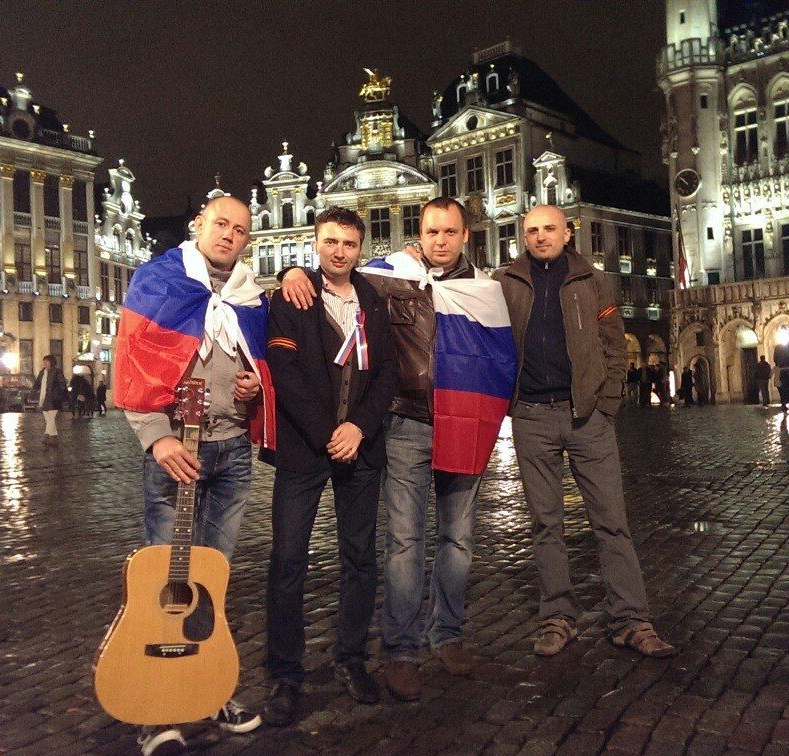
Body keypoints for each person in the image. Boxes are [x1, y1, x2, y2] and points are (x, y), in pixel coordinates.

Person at [277, 197, 516, 702]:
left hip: (463, 423)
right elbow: (335, 270)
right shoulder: (392, 277)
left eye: (449, 232)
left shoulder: (487, 289)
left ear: (465, 235)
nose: (440, 240)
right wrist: (290, 271)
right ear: (419, 235)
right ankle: (401, 649)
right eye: (432, 231)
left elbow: (502, 359)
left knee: (458, 538)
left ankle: (447, 633)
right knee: (404, 540)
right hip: (407, 421)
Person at [115, 194, 270, 756]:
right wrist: (156, 437)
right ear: (198, 225)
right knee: (163, 578)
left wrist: (256, 386)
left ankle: (209, 687)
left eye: (240, 229)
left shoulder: (250, 294)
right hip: (177, 448)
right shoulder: (160, 280)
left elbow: (260, 362)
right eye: (220, 223)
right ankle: (155, 709)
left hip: (233, 449)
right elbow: (132, 359)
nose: (229, 234)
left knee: (212, 580)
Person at [494, 204, 672, 659]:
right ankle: (557, 617)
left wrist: (606, 403)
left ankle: (630, 619)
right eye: (532, 230)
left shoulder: (594, 281)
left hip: (587, 418)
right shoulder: (504, 282)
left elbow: (614, 344)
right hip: (532, 416)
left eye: (549, 229)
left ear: (567, 233)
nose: (540, 236)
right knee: (545, 524)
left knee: (612, 521)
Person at [262, 207, 397, 726]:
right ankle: (285, 673)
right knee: (288, 559)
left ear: (361, 248)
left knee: (359, 558)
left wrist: (358, 427)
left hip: (360, 448)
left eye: (349, 243)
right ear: (315, 244)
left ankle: (351, 657)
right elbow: (285, 373)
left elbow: (387, 373)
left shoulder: (374, 300)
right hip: (305, 450)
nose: (339, 251)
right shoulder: (291, 297)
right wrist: (328, 432)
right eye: (331, 241)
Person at [32, 356, 67, 446]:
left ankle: (46, 436)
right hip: (43, 398)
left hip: (54, 398)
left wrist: (63, 396)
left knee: (51, 418)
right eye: (44, 361)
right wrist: (32, 395)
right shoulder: (42, 372)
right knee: (48, 419)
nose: (45, 363)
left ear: (51, 362)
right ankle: (54, 438)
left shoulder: (57, 372)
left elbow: (62, 384)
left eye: (46, 361)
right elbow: (37, 384)